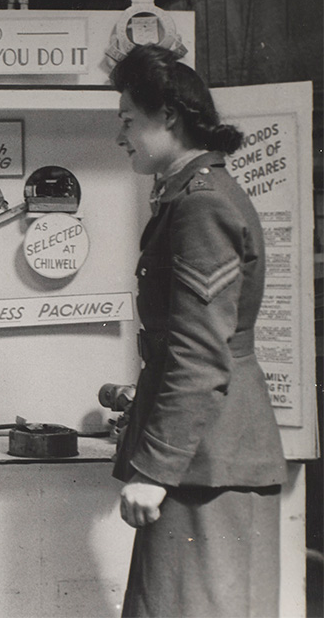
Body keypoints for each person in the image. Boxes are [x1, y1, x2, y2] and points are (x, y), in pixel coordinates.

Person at [109, 44, 287, 617]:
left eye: (128, 122)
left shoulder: (199, 206)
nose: (122, 138)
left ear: (169, 116)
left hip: (208, 459)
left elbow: (200, 353)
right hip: (206, 455)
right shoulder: (191, 197)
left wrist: (154, 470)